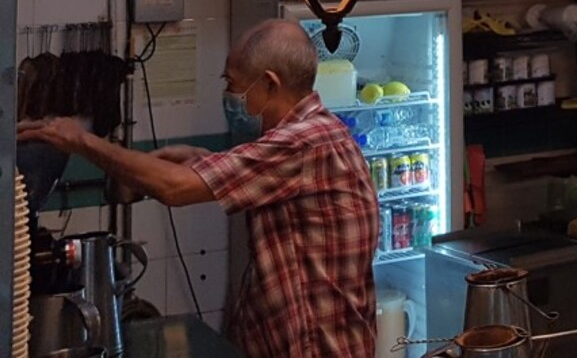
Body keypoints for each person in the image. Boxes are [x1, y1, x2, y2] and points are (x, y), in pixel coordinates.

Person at [21, 20, 377, 358]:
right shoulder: (310, 135)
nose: (229, 95)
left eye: (233, 84)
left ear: (270, 83)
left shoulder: (304, 142)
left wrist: (82, 141)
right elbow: (268, 176)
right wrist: (207, 158)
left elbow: (175, 189)